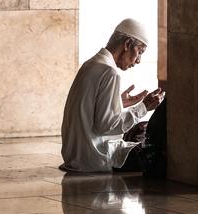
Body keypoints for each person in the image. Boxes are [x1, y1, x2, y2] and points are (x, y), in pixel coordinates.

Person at [61, 18, 166, 175]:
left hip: (76, 157)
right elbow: (106, 126)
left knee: (140, 130)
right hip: (96, 159)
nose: (138, 60)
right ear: (127, 44)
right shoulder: (110, 72)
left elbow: (90, 112)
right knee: (160, 143)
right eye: (140, 52)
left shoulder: (91, 64)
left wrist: (119, 103)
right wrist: (144, 107)